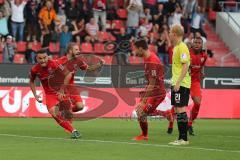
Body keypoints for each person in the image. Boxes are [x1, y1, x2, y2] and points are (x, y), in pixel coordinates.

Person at [29, 49, 81, 139]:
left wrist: (62, 89)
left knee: (72, 111)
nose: (43, 60)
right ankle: (74, 131)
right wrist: (35, 95)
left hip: (61, 92)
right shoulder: (35, 69)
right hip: (50, 95)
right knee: (54, 113)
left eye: (44, 58)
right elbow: (31, 81)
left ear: (48, 57)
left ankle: (68, 113)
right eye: (40, 58)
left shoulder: (55, 64)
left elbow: (68, 74)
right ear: (36, 59)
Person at [132, 39, 174, 141]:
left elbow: (153, 82)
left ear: (141, 49)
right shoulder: (148, 58)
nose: (134, 52)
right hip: (152, 90)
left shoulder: (152, 60)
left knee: (141, 111)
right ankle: (167, 114)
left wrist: (143, 101)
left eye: (135, 49)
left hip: (157, 93)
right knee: (143, 111)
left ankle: (144, 135)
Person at [52, 43, 104, 120]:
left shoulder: (78, 61)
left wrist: (99, 64)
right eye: (76, 50)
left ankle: (66, 111)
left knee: (80, 106)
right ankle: (65, 111)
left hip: (71, 87)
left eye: (79, 49)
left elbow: (89, 69)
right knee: (67, 111)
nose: (78, 51)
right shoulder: (60, 61)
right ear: (70, 51)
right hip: (62, 87)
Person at [169, 24, 191, 145]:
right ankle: (180, 137)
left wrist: (178, 82)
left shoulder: (182, 47)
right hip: (177, 82)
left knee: (181, 109)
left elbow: (185, 65)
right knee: (178, 109)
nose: (169, 34)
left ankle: (184, 138)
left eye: (170, 32)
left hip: (181, 83)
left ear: (174, 34)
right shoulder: (176, 47)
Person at [188, 37, 207, 135]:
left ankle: (189, 124)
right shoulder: (187, 53)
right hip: (184, 81)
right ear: (192, 43)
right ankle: (170, 120)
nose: (197, 44)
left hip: (195, 82)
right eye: (195, 42)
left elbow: (202, 65)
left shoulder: (204, 55)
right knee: (177, 106)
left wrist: (202, 73)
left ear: (202, 45)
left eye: (199, 43)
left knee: (198, 103)